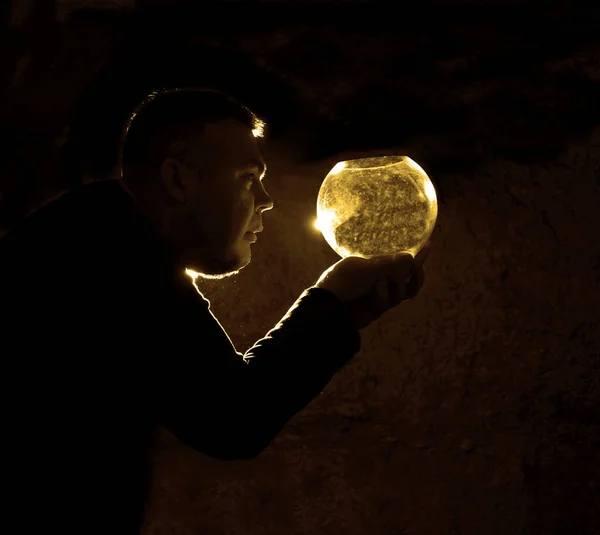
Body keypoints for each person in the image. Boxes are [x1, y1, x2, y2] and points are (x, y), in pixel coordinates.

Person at [0, 87, 429, 534]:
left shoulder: (97, 236)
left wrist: (340, 313)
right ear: (178, 180)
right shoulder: (110, 261)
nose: (265, 199)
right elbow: (232, 417)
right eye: (247, 177)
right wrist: (329, 302)